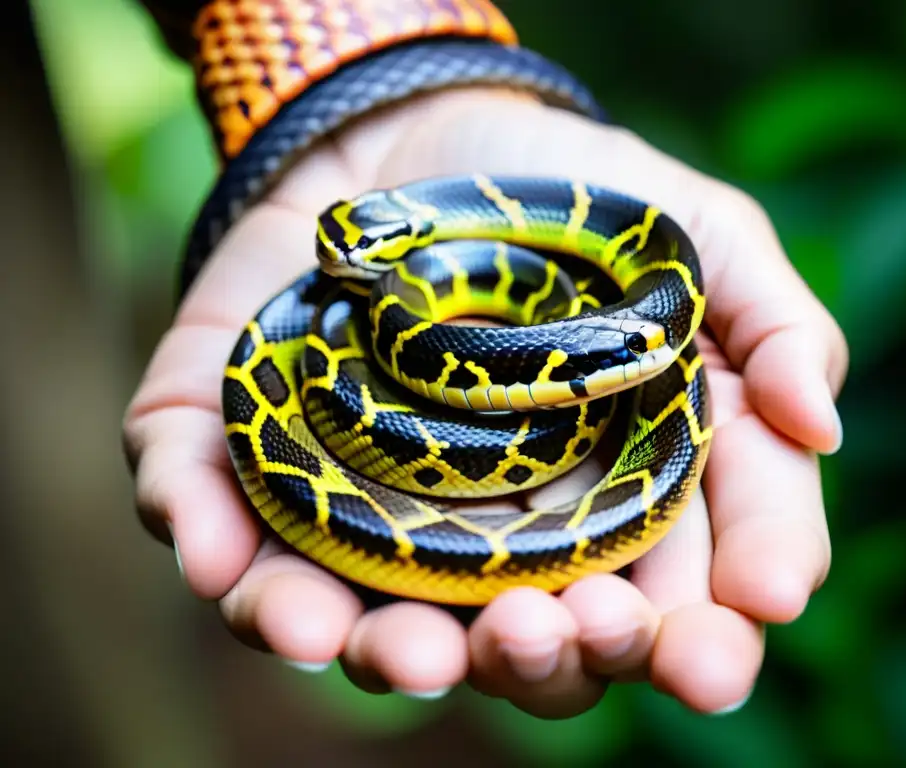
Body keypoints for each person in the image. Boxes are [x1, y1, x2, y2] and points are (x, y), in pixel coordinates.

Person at [122, 3, 848, 721]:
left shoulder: (620, 289)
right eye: (343, 256)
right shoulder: (349, 314)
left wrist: (348, 61)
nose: (339, 263)